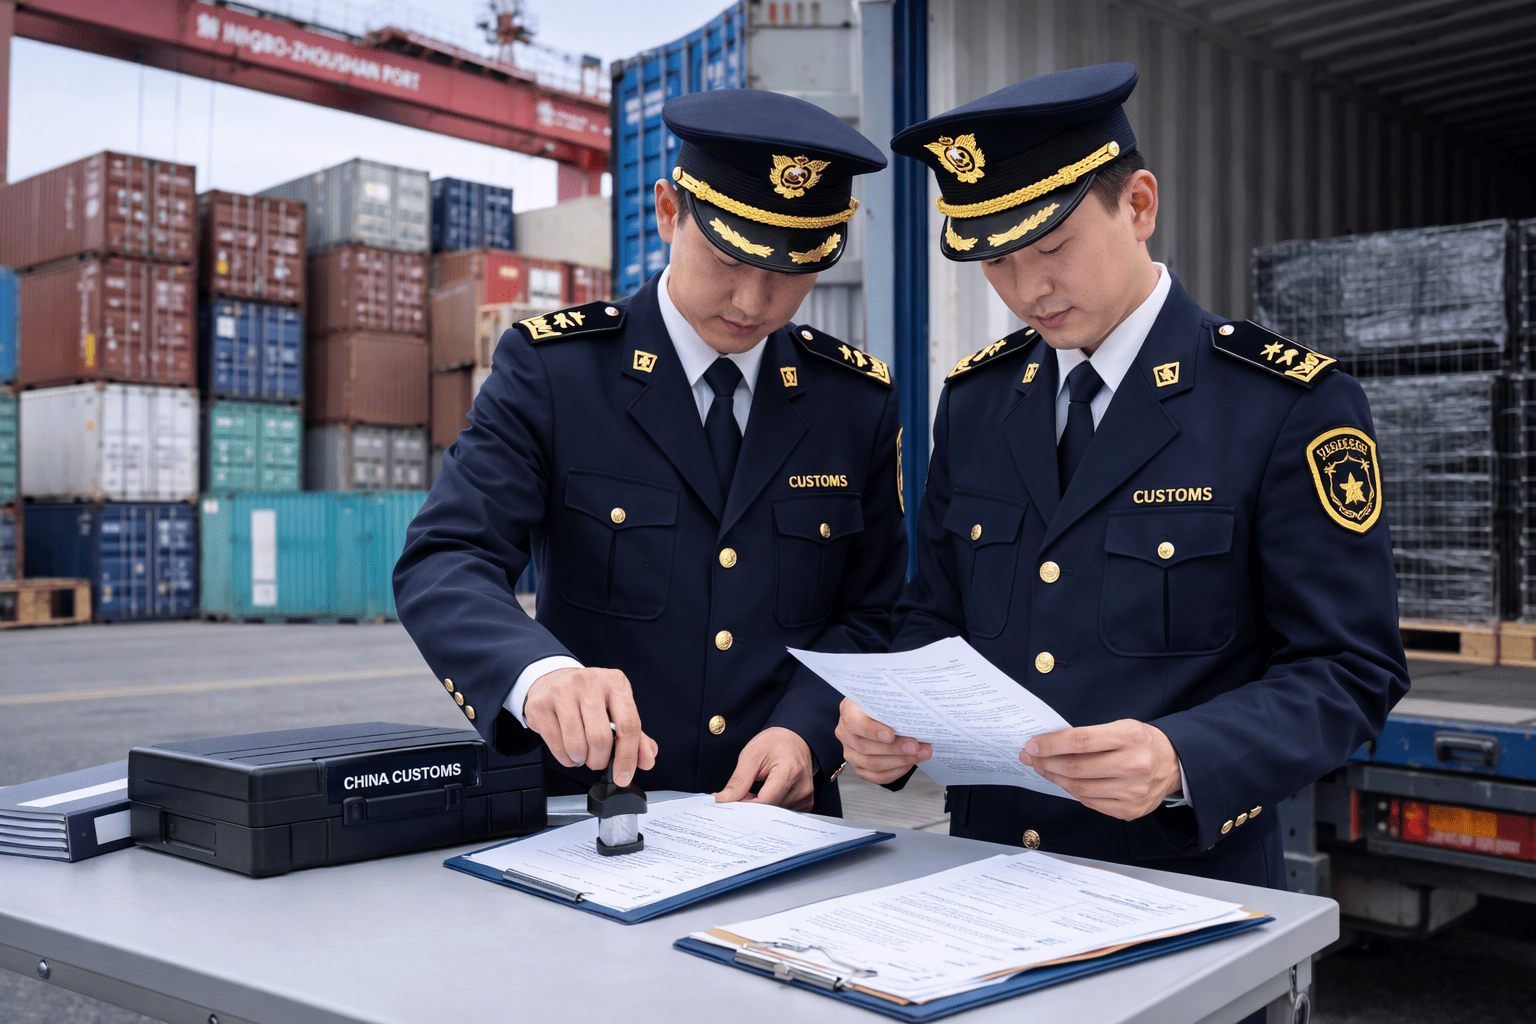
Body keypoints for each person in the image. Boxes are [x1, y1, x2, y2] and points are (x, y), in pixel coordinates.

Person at [837, 62, 1408, 886]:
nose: (1027, 289)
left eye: (1051, 246)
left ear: (1138, 206)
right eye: (995, 261)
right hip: (984, 881)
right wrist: (886, 724)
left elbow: (1351, 670)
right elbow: (935, 616)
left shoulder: (1284, 405)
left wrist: (1184, 756)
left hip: (1183, 887)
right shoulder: (978, 402)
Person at [394, 89, 908, 815]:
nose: (755, 302)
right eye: (731, 257)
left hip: (782, 830)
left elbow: (870, 612)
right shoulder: (557, 372)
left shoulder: (852, 401)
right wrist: (538, 675)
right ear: (670, 211)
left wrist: (804, 732)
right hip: (591, 816)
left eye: (791, 272)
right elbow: (448, 556)